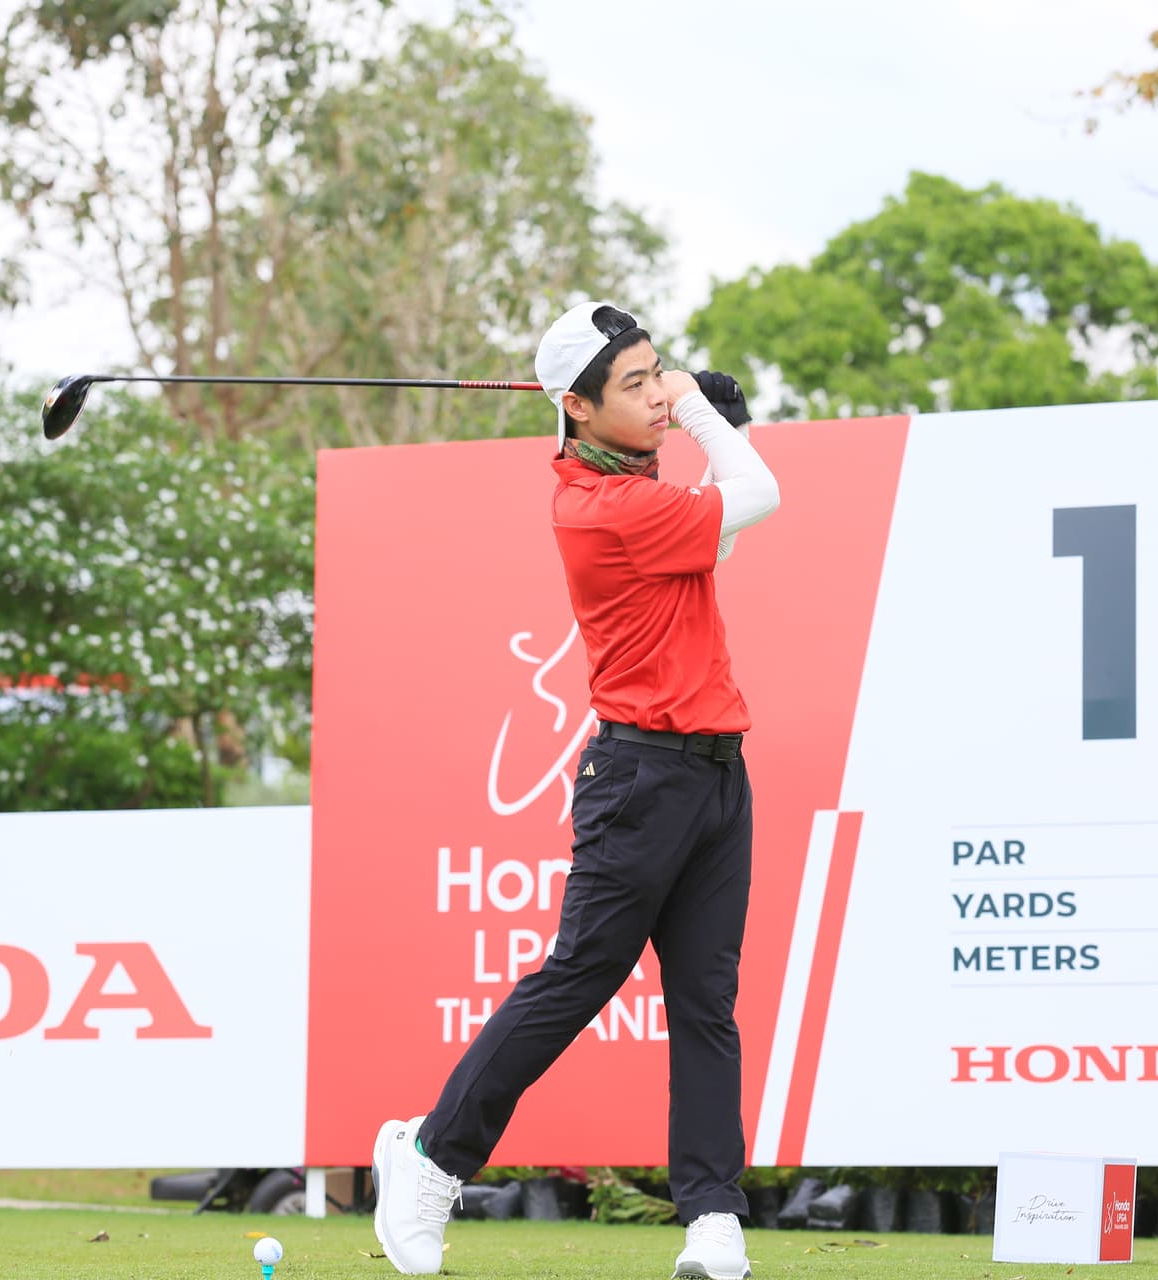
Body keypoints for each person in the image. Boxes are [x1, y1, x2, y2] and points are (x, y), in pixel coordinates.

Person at [373, 301, 780, 1280]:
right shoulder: (599, 507)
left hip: (718, 773)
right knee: (579, 977)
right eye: (636, 384)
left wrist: (717, 424)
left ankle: (712, 1219)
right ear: (578, 407)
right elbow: (759, 495)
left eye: (658, 370)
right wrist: (707, 416)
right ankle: (429, 1155)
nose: (658, 393)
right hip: (640, 778)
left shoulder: (639, 491)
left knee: (707, 1003)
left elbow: (721, 539)